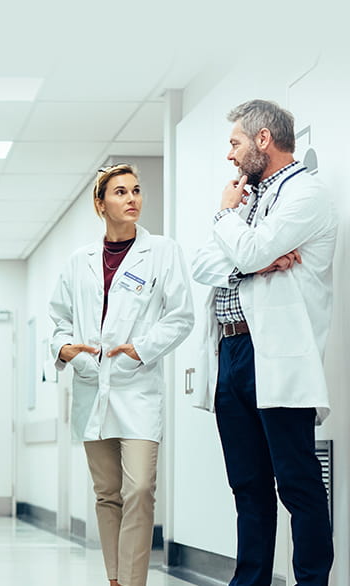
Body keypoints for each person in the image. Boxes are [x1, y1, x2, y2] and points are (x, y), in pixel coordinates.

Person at [189, 99, 337, 586]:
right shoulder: (248, 200)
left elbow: (249, 247)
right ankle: (249, 581)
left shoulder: (305, 194)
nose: (230, 155)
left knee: (297, 482)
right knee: (247, 485)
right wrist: (246, 258)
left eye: (234, 142)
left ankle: (312, 580)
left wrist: (230, 224)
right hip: (230, 353)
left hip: (274, 355)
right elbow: (202, 265)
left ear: (263, 140)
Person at [48, 164, 194, 586]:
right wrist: (66, 350)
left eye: (136, 190)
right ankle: (114, 578)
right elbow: (58, 319)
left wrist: (142, 348)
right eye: (120, 192)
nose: (132, 199)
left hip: (138, 388)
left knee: (140, 489)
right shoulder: (80, 262)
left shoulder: (162, 252)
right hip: (92, 387)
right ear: (101, 204)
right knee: (107, 495)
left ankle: (133, 581)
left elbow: (181, 315)